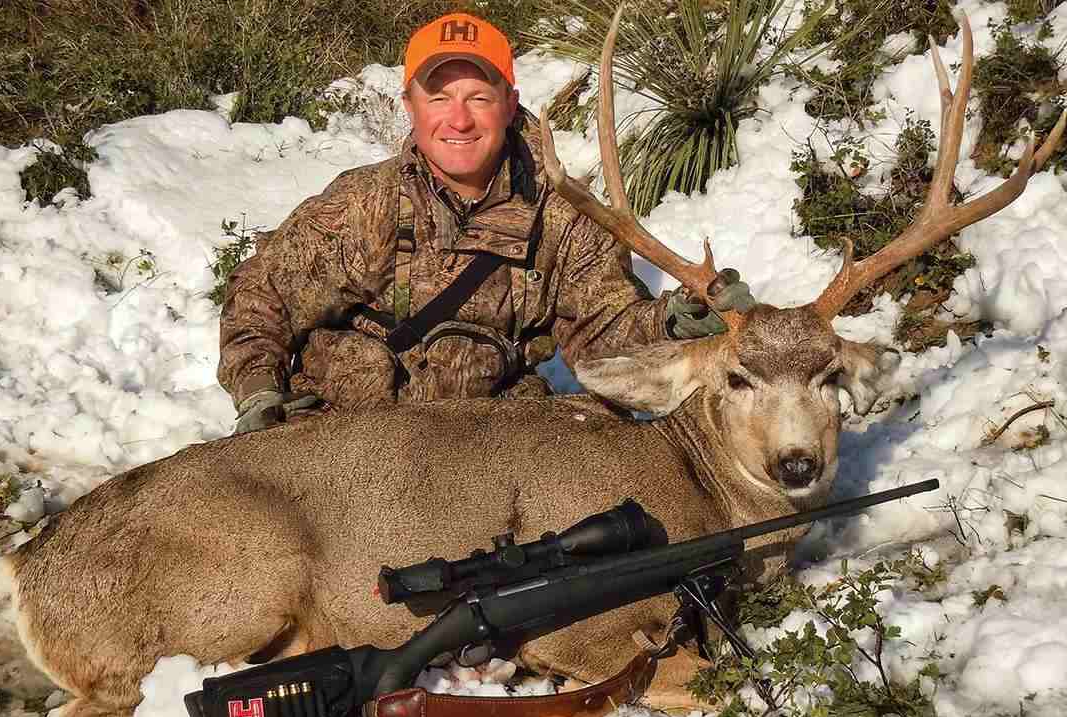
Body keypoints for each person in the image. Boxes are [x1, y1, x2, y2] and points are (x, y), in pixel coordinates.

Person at [218, 12, 752, 433]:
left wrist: (673, 323)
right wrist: (260, 392)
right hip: (345, 435)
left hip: (484, 448)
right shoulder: (364, 204)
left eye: (479, 97)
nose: (459, 119)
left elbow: (602, 334)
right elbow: (262, 296)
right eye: (439, 97)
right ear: (410, 106)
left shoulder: (562, 216)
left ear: (510, 104)